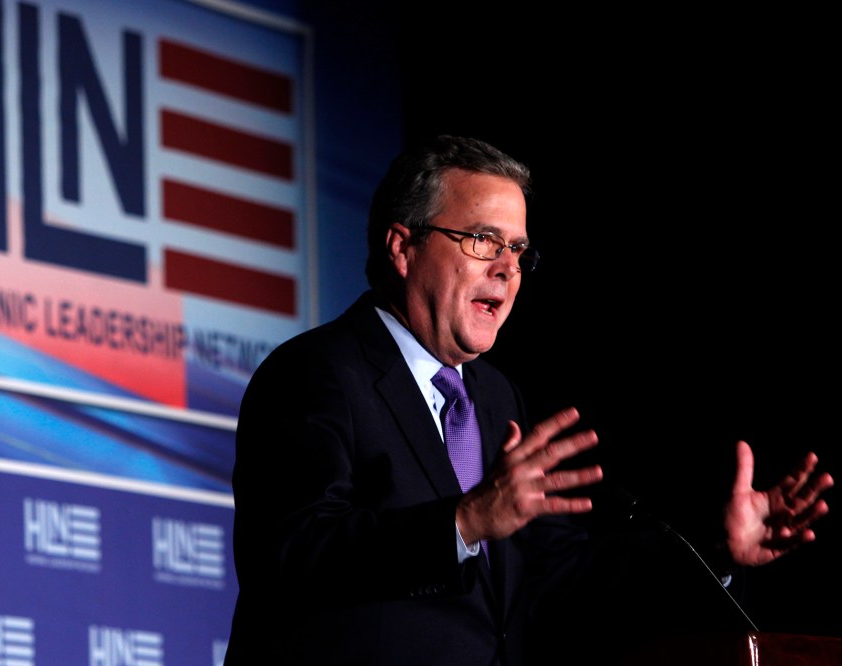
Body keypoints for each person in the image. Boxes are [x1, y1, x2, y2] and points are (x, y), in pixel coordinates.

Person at [223, 135, 832, 665]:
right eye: (483, 240)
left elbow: (558, 579)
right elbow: (291, 556)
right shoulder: (314, 373)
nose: (508, 270)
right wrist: (465, 522)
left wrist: (712, 549)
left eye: (519, 250)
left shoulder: (496, 397)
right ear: (402, 247)